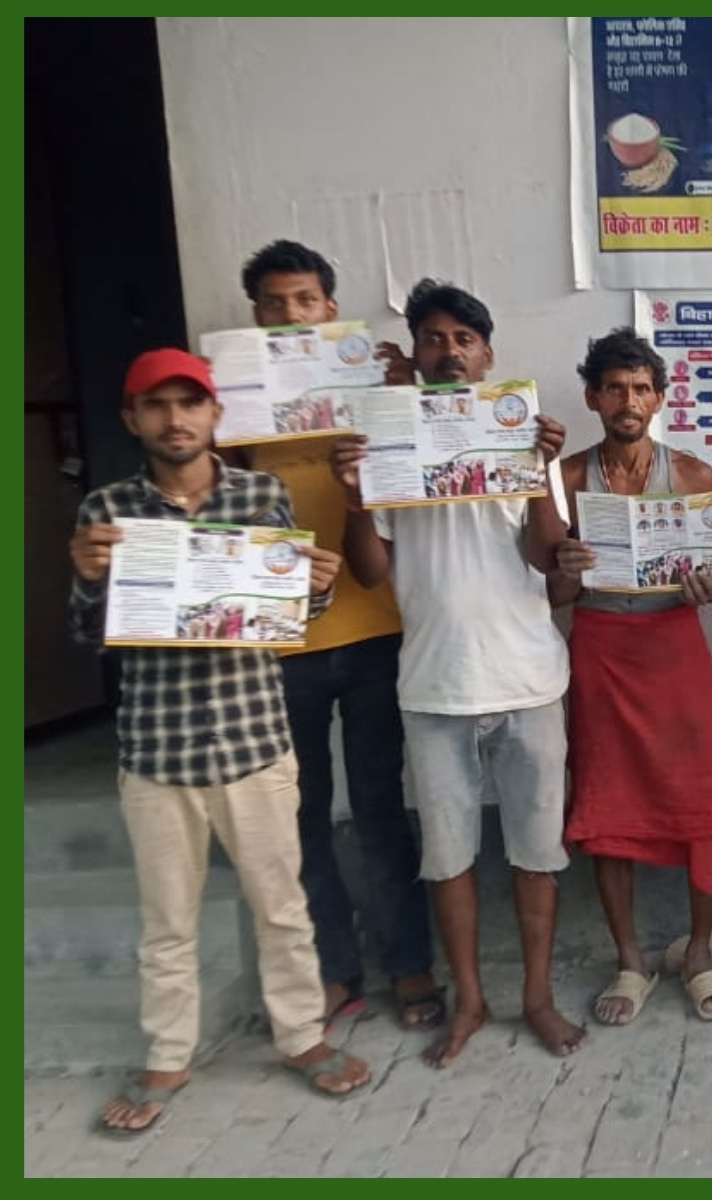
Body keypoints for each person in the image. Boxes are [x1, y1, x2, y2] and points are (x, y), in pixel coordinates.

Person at [69, 349, 371, 1134]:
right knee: (167, 922)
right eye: (156, 405)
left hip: (252, 740)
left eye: (188, 403)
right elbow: (90, 635)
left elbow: (284, 620)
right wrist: (91, 580)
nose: (175, 419)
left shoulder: (260, 496)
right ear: (132, 419)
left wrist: (316, 588)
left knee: (283, 907)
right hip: (157, 749)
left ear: (214, 414)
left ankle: (301, 1037)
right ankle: (168, 1055)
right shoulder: (109, 510)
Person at [330, 279, 581, 1069]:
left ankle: (536, 997)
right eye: (433, 339)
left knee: (537, 851)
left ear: (487, 356)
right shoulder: (389, 446)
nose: (449, 352)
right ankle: (469, 999)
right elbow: (370, 573)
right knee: (447, 857)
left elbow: (545, 558)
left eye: (463, 340)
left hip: (529, 681)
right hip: (435, 686)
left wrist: (538, 471)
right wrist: (353, 497)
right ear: (416, 353)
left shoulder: (522, 440)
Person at [236, 239, 442, 1035]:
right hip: (276, 642)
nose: (291, 315)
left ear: (330, 308)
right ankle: (330, 970)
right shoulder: (231, 400)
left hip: (372, 629)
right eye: (275, 303)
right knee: (302, 814)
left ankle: (409, 964)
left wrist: (402, 386)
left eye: (305, 301)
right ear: (256, 315)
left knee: (382, 806)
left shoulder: (372, 382)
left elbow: (433, 453)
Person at [531, 327, 712, 1026]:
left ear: (660, 399)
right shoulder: (564, 480)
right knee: (605, 804)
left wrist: (710, 588)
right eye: (616, 389)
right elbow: (553, 594)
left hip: (674, 649)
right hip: (600, 650)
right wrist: (566, 571)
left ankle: (701, 953)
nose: (629, 401)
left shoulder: (694, 477)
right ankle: (630, 961)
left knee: (701, 801)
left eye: (642, 389)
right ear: (593, 397)